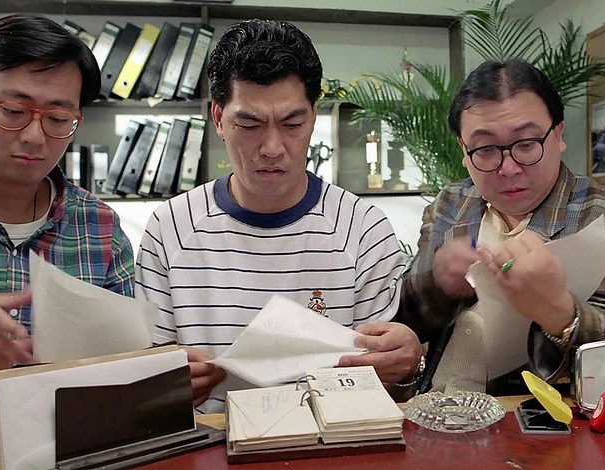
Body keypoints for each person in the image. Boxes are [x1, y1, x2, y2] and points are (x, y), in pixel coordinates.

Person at [136, 19, 422, 413]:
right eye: (249, 125)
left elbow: (386, 390)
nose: (272, 147)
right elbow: (147, 380)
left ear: (313, 117)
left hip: (332, 435)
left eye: (292, 125)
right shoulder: (170, 228)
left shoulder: (362, 228)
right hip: (210, 438)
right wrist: (162, 382)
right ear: (218, 118)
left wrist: (403, 368)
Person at [396, 58, 605, 395]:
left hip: (532, 416)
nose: (508, 168)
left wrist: (559, 310)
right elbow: (405, 321)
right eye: (485, 149)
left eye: (527, 144)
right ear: (464, 149)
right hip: (434, 407)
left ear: (558, 135)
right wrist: (438, 282)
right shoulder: (451, 205)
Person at [0, 14, 134, 374]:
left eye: (57, 119)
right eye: (13, 111)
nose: (34, 137)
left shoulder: (99, 227)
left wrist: (164, 367)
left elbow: (123, 361)